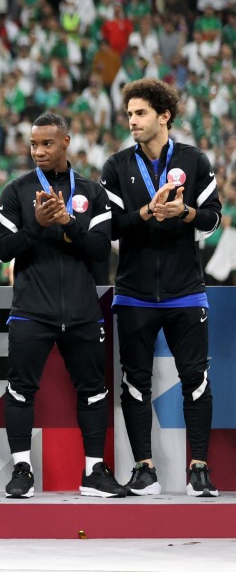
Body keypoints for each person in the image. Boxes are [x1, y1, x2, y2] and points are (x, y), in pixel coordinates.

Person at [0, 113, 126, 499]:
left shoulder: (92, 191)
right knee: (20, 391)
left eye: (47, 144)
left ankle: (93, 473)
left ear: (66, 142)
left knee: (93, 391)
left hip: (83, 311)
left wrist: (69, 223)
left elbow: (101, 252)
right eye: (33, 144)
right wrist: (35, 224)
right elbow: (3, 250)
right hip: (31, 310)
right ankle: (22, 471)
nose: (38, 151)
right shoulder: (16, 191)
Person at [101, 78, 222, 498]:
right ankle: (144, 469)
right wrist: (146, 211)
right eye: (129, 114)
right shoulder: (116, 166)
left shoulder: (195, 159)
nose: (132, 121)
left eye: (140, 113)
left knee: (198, 380)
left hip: (186, 291)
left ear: (163, 116)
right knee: (135, 383)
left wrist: (185, 212)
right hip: (133, 292)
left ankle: (200, 469)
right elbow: (110, 228)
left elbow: (213, 219)